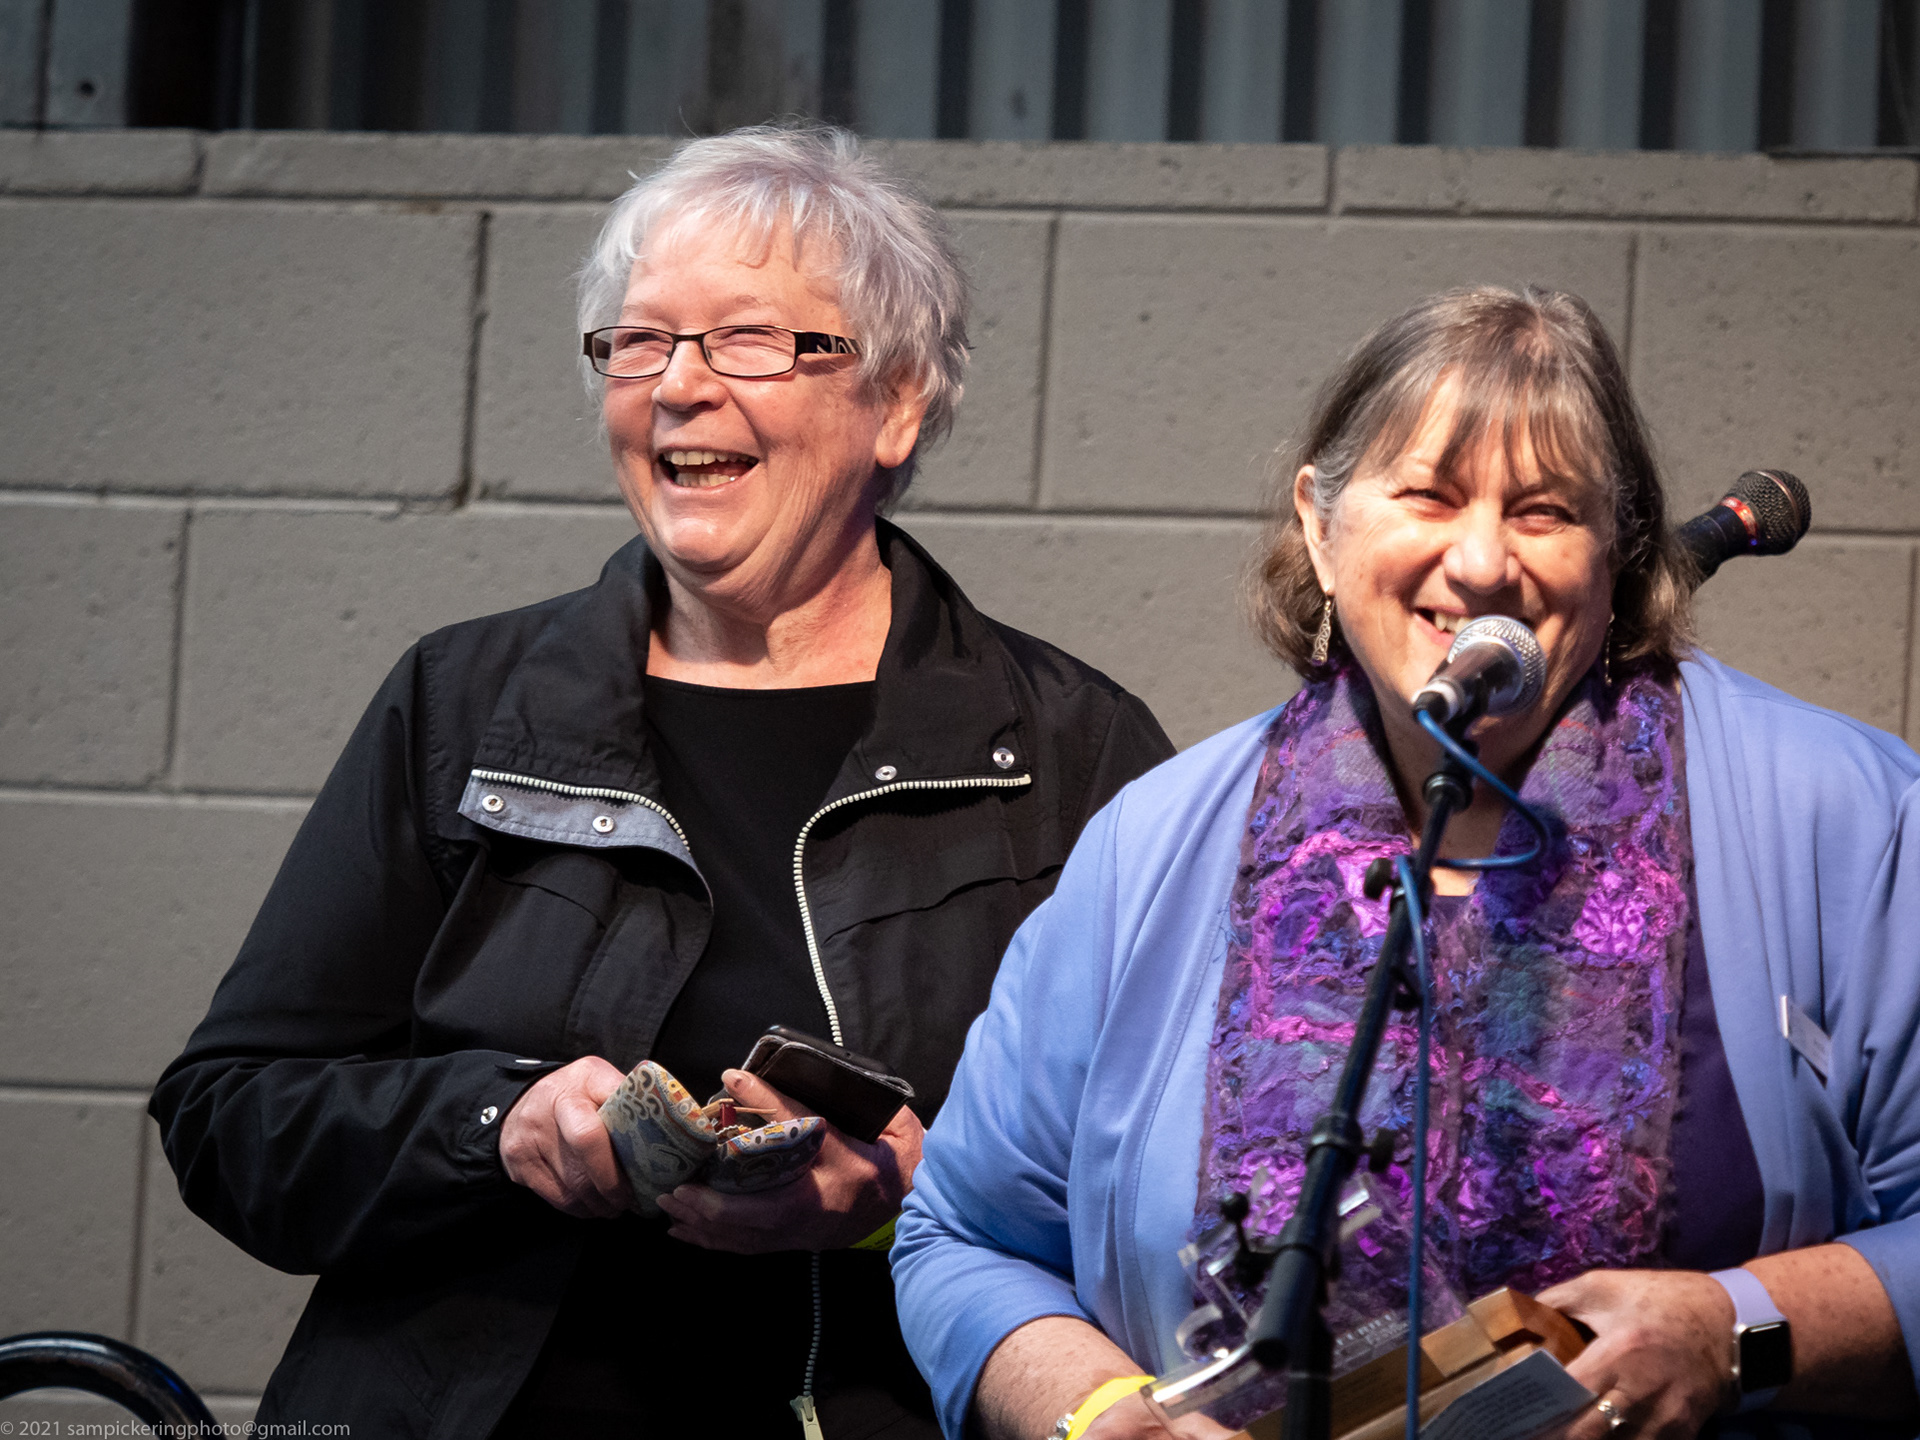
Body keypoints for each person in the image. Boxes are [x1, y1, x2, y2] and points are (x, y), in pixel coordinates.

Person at [150, 126, 1173, 1440]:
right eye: (638, 343)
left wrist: (915, 1192)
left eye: (748, 341)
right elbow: (231, 1117)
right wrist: (500, 1123)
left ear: (898, 400)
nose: (679, 387)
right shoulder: (463, 706)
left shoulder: (1067, 749)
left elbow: (1190, 1186)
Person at [892, 286, 1920, 1440]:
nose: (1480, 563)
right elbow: (964, 1241)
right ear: (1320, 529)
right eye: (1428, 495)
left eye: (1544, 511)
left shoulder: (1846, 816)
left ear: (1619, 552)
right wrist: (1098, 1413)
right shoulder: (1152, 845)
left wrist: (1738, 1331)